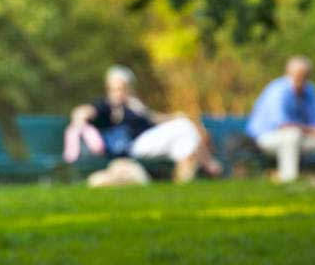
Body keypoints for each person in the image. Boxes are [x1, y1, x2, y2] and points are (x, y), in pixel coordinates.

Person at [64, 65, 221, 182]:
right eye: (115, 89)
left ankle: (183, 183)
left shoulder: (134, 105)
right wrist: (80, 117)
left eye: (122, 88)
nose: (119, 92)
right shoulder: (107, 106)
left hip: (150, 142)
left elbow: (152, 119)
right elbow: (84, 111)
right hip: (132, 147)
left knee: (185, 139)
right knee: (184, 127)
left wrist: (174, 116)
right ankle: (209, 165)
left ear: (129, 88)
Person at [246, 56, 315, 183]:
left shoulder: (310, 89)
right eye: (298, 75)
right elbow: (283, 124)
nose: (302, 80)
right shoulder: (278, 90)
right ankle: (289, 179)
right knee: (292, 134)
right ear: (288, 74)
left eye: (305, 76)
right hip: (266, 137)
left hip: (301, 136)